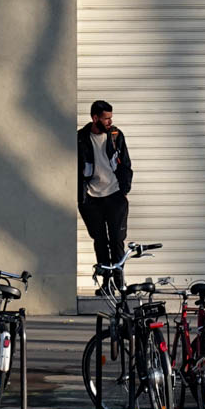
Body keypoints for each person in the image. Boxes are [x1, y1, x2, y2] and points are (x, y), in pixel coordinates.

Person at [77, 99, 134, 290]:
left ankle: (119, 282)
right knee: (100, 241)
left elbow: (125, 164)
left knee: (116, 240)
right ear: (95, 118)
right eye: (106, 118)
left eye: (111, 118)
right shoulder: (80, 138)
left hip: (115, 195)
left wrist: (124, 190)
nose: (110, 122)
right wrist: (80, 196)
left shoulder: (116, 136)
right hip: (91, 198)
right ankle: (106, 283)